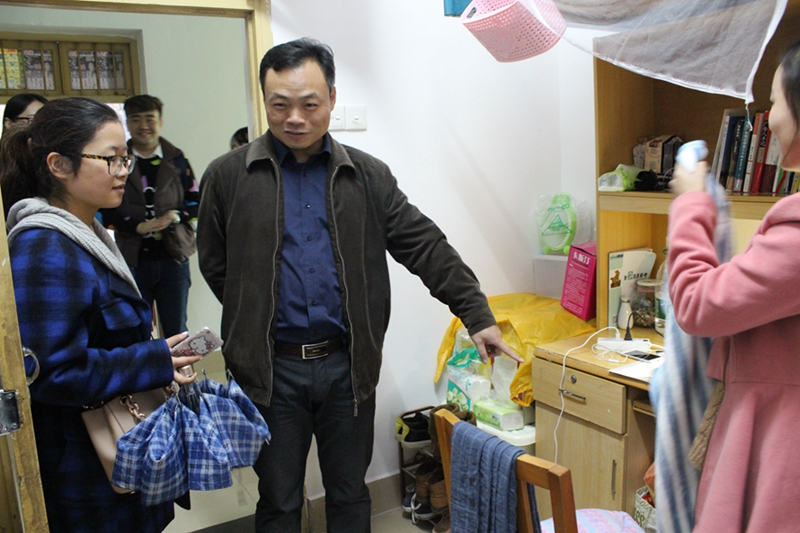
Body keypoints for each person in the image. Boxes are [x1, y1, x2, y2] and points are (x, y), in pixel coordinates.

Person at [196, 38, 521, 533]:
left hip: (347, 367)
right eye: (279, 105)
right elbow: (216, 265)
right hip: (269, 370)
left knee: (349, 494)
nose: (294, 118)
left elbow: (425, 246)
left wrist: (476, 315)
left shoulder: (367, 176)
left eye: (309, 104)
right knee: (278, 499)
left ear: (331, 97)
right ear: (264, 101)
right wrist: (254, 316)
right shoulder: (227, 177)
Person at [0, 96, 202, 533]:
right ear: (59, 165)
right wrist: (152, 361)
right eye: (109, 159)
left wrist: (158, 357)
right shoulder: (44, 245)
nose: (122, 170)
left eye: (124, 158)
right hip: (86, 466)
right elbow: (52, 373)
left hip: (119, 448)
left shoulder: (87, 231)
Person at [668, 38, 800, 533]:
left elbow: (696, 302)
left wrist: (690, 203)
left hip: (781, 444)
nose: (769, 119)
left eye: (775, 101)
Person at [100, 94, 199, 337]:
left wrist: (175, 216)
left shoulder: (177, 159)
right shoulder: (117, 161)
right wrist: (137, 227)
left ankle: (179, 364)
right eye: (136, 119)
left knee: (177, 329)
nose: (143, 126)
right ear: (127, 123)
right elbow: (103, 209)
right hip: (132, 259)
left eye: (150, 119)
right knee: (135, 328)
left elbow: (197, 203)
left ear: (160, 121)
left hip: (173, 258)